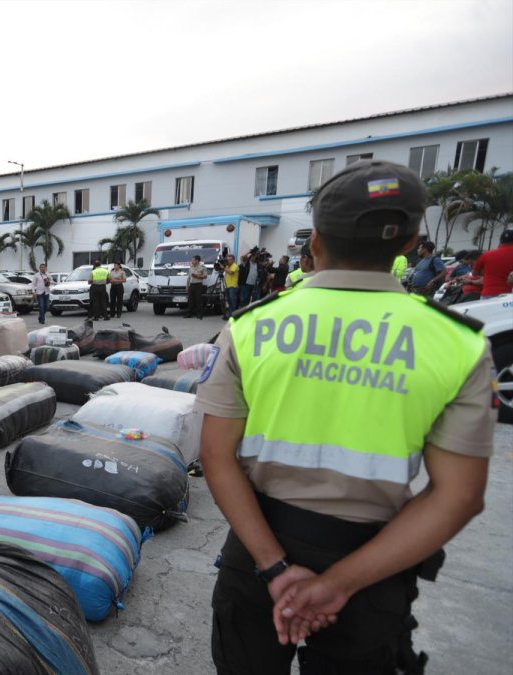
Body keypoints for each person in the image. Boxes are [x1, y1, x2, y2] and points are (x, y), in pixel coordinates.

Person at [198, 160, 494, 674]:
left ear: (314, 243)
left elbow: (215, 458)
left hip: (258, 543)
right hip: (376, 561)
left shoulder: (251, 328)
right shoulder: (458, 344)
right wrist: (339, 584)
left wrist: (275, 568)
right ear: (407, 245)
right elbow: (460, 495)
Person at [464, 229, 513, 298]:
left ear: (501, 241)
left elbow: (474, 273)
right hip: (509, 296)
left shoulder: (487, 254)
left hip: (489, 294)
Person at [221, 254, 240, 320]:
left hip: (233, 286)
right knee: (229, 302)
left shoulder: (235, 266)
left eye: (230, 259)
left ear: (233, 260)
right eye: (228, 260)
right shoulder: (227, 266)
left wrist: (223, 268)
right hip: (227, 286)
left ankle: (233, 315)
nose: (229, 261)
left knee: (233, 301)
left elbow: (231, 272)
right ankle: (229, 314)